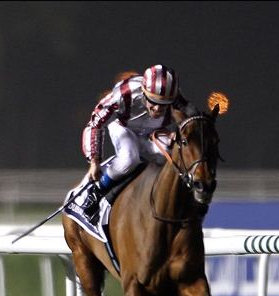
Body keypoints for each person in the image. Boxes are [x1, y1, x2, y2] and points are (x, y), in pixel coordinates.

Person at [80, 64, 197, 223]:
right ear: (144, 92)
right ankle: (97, 193)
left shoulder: (176, 99)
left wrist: (179, 132)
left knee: (175, 152)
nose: (157, 109)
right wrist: (94, 161)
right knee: (129, 159)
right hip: (124, 128)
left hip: (153, 132)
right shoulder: (124, 93)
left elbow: (194, 120)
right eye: (153, 101)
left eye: (164, 104)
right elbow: (95, 123)